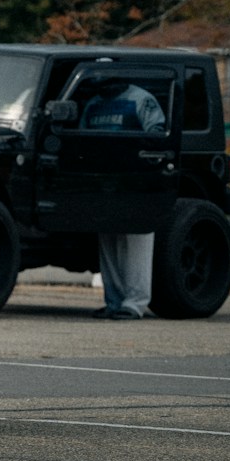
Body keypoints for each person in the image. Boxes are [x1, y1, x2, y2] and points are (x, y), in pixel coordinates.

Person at [82, 80, 165, 320]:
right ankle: (115, 301)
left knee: (137, 241)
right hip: (105, 183)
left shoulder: (141, 99)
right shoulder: (95, 103)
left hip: (135, 180)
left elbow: (157, 133)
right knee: (108, 243)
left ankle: (135, 303)